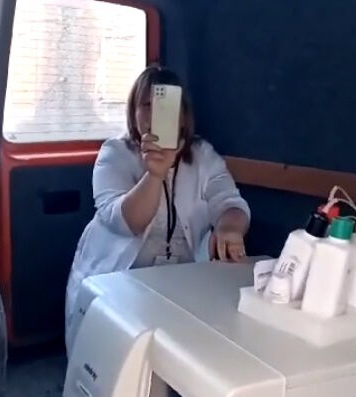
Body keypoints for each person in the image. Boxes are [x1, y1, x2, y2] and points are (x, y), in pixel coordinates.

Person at [64, 65, 251, 353]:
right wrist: (154, 175)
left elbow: (230, 203)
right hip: (120, 278)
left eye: (164, 105)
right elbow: (125, 222)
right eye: (145, 105)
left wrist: (229, 228)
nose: (154, 114)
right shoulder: (114, 153)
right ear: (133, 112)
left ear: (182, 116)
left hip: (181, 277)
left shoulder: (202, 155)